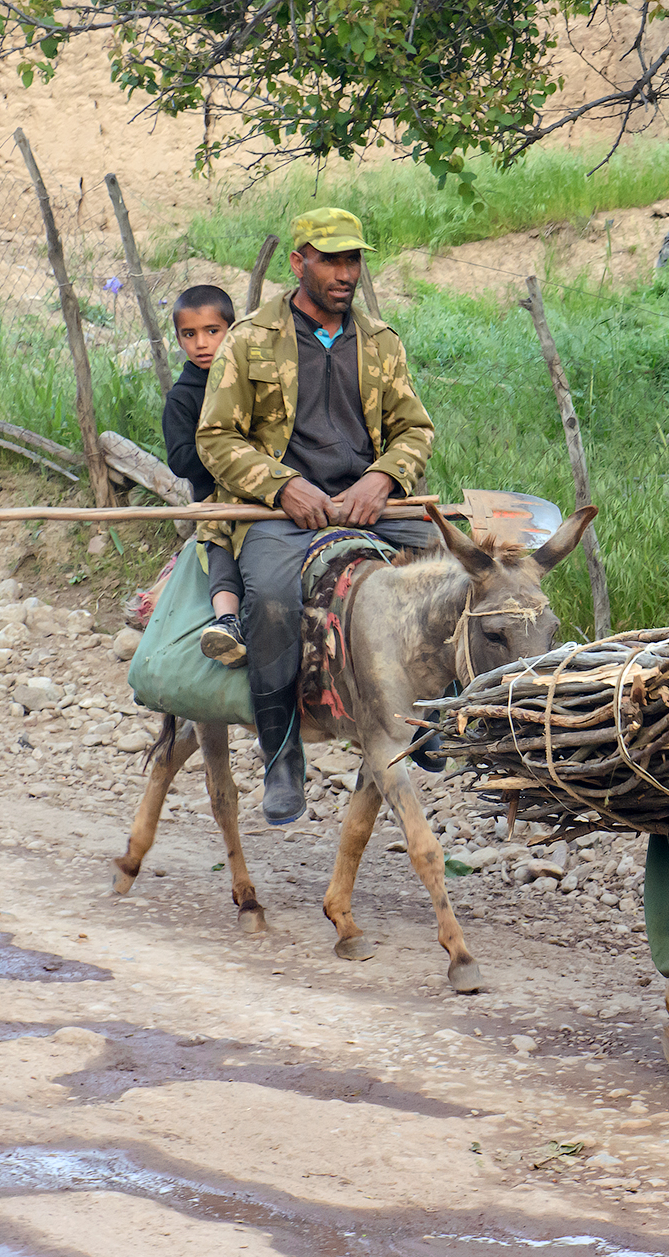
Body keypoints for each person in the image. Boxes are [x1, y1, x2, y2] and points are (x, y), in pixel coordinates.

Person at [194, 207, 438, 826]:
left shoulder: (380, 342)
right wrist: (283, 487)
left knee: (452, 566)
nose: (345, 273)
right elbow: (216, 437)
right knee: (273, 600)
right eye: (330, 261)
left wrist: (383, 479)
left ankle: (436, 714)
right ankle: (280, 754)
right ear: (298, 263)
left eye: (352, 259)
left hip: (368, 506)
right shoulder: (249, 340)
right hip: (278, 513)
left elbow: (414, 430)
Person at [158, 284, 251, 668]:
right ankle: (227, 620)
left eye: (212, 331)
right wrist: (229, 452)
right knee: (218, 539)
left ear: (232, 329)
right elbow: (181, 459)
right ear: (178, 339)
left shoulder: (250, 380)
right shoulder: (183, 398)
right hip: (216, 499)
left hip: (263, 489)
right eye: (189, 334)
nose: (201, 343)